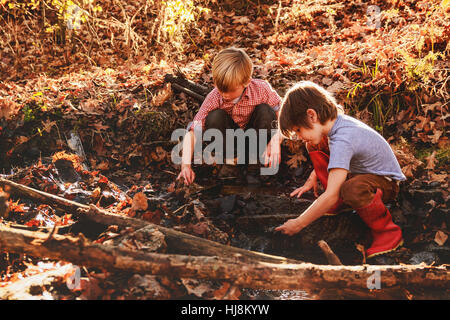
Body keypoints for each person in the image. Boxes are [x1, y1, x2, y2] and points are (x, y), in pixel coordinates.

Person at [275, 81, 406, 259]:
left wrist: (299, 223)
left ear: (312, 115)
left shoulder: (344, 138)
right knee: (314, 144)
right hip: (362, 173)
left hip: (385, 183)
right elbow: (337, 159)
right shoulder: (334, 127)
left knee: (350, 189)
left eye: (298, 130)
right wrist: (313, 176)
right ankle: (339, 203)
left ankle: (388, 233)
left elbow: (331, 193)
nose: (299, 136)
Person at [177, 47, 283, 185]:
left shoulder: (261, 89)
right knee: (215, 117)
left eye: (230, 90)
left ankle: (256, 164)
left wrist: (276, 140)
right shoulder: (214, 97)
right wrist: (185, 166)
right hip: (231, 142)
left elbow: (283, 115)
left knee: (265, 110)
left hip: (258, 140)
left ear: (246, 82)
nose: (224, 95)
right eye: (220, 89)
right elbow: (193, 132)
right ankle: (231, 164)